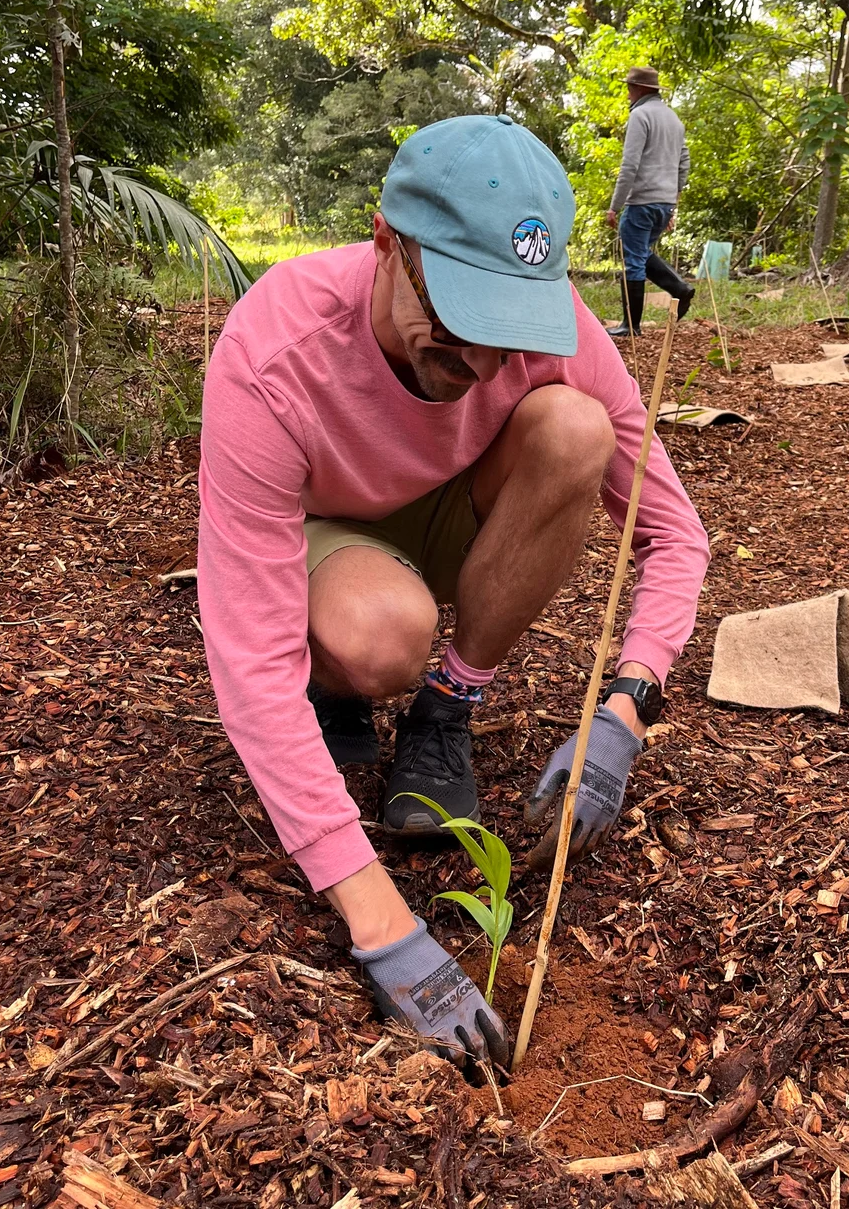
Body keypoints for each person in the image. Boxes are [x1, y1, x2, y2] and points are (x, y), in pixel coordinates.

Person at [197, 115, 709, 1068]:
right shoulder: (277, 348)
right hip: (330, 535)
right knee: (382, 632)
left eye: (504, 328)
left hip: (449, 516)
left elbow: (676, 534)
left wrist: (627, 706)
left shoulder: (553, 334)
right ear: (388, 241)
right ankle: (344, 686)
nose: (479, 360)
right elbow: (246, 654)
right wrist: (378, 918)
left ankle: (450, 705)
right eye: (459, 315)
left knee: (575, 428)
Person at [605, 66, 694, 337]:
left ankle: (630, 326)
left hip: (641, 202)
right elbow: (685, 162)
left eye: (630, 87)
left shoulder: (640, 116)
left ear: (641, 89)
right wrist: (673, 201)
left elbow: (629, 164)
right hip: (664, 203)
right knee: (641, 253)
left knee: (634, 260)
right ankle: (680, 289)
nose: (628, 93)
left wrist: (614, 206)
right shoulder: (673, 119)